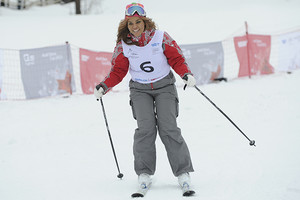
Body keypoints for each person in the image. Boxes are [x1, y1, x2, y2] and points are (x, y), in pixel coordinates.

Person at [94, 2, 196, 196]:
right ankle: (144, 173)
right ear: (126, 25)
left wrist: (186, 74)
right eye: (130, 23)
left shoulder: (161, 37)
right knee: (145, 130)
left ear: (145, 21)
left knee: (168, 127)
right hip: (140, 89)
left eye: (138, 22)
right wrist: (104, 86)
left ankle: (183, 172)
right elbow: (118, 71)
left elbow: (176, 59)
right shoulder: (124, 44)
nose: (135, 27)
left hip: (164, 86)